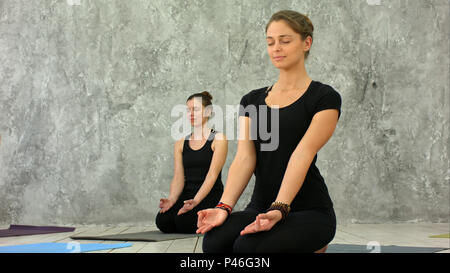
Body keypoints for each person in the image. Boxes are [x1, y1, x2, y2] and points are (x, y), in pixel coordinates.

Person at [196, 10, 342, 253]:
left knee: (248, 249)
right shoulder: (252, 100)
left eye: (285, 41)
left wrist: (280, 208)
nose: (276, 48)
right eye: (270, 42)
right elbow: (245, 158)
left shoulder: (324, 97)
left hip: (309, 210)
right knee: (214, 242)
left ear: (306, 43)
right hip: (260, 207)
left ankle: (316, 244)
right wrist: (223, 208)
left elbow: (302, 154)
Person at [156, 91, 228, 234]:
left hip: (208, 194)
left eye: (195, 109)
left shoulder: (219, 139)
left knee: (184, 223)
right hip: (187, 194)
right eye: (188, 110)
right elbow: (178, 177)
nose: (191, 114)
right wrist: (171, 200)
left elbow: (212, 176)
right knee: (163, 221)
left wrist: (196, 201)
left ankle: (215, 214)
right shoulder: (181, 143)